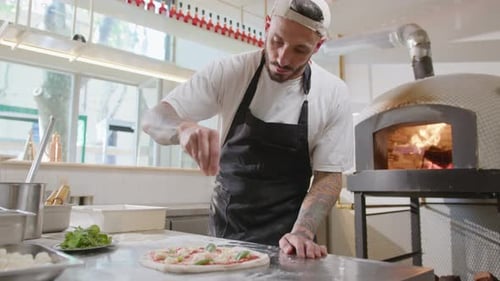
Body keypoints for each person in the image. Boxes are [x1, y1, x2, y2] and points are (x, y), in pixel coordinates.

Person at [142, 0, 353, 259]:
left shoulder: (332, 93)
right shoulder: (230, 72)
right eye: (276, 41)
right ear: (267, 26)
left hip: (291, 245)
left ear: (318, 47)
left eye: (300, 50)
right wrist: (182, 128)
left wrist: (303, 232)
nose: (283, 58)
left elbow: (329, 175)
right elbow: (153, 119)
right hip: (225, 241)